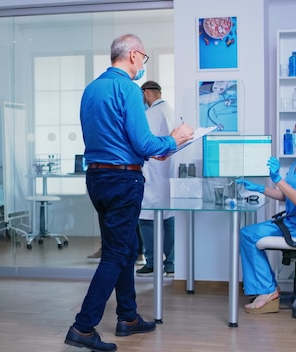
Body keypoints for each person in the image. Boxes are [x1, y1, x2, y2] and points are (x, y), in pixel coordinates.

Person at [64, 34, 194, 352]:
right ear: (134, 56)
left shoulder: (92, 89)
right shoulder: (128, 89)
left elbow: (117, 139)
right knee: (116, 253)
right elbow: (144, 143)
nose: (142, 66)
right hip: (123, 181)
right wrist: (175, 139)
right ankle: (83, 327)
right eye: (144, 59)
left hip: (97, 178)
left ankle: (128, 317)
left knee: (127, 246)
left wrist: (154, 150)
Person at [236, 117, 296, 314]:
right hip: (293, 222)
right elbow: (284, 195)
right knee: (247, 233)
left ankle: (268, 291)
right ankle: (268, 288)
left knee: (249, 235)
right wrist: (259, 187)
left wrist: (277, 178)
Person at [136, 80, 175, 277]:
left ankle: (151, 261)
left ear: (148, 94)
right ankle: (171, 263)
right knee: (169, 219)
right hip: (167, 174)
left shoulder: (151, 114)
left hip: (153, 173)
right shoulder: (171, 110)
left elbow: (144, 142)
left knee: (145, 219)